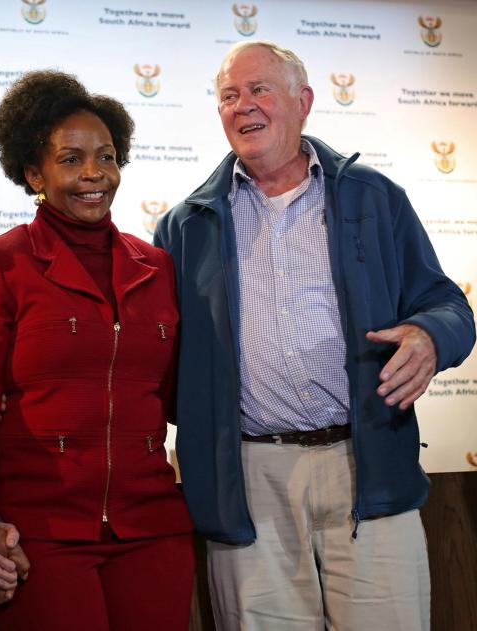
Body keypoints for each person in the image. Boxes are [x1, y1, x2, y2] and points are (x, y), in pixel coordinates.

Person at [154, 41, 475, 630]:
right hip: (246, 478)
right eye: (228, 96)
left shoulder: (373, 198)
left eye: (259, 90)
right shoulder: (184, 225)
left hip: (366, 461)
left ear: (303, 102)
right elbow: (158, 354)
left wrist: (431, 336)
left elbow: (448, 304)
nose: (242, 106)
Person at [0, 70, 194, 631]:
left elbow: (179, 399)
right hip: (36, 534)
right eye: (71, 159)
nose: (93, 174)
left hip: (153, 531)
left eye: (106, 156)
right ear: (34, 172)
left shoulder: (157, 268)